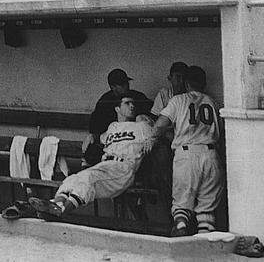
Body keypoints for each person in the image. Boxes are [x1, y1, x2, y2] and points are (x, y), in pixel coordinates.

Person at [29, 95, 156, 221]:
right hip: (107, 167)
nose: (132, 106)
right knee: (73, 179)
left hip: (124, 167)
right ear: (117, 108)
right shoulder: (113, 127)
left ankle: (61, 211)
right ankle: (56, 204)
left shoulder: (141, 126)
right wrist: (92, 136)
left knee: (89, 177)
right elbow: (100, 138)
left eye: (133, 103)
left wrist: (153, 139)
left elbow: (157, 131)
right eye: (127, 103)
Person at [152, 66, 224, 235]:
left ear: (186, 83)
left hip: (187, 154)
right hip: (211, 155)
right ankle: (204, 240)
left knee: (182, 206)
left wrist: (155, 136)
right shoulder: (213, 102)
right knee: (206, 210)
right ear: (204, 84)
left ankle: (181, 228)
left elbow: (160, 125)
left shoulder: (178, 100)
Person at [83, 68, 151, 165]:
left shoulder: (137, 96)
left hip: (133, 140)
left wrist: (143, 117)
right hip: (113, 141)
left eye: (127, 83)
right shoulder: (105, 101)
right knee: (92, 152)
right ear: (112, 87)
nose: (126, 86)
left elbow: (153, 116)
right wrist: (92, 135)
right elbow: (95, 126)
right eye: (122, 84)